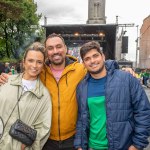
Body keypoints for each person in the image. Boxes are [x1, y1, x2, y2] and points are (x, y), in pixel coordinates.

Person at [0, 34, 136, 150]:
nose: (55, 51)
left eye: (59, 46)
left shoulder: (80, 69)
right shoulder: (41, 71)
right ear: (47, 52)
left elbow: (96, 65)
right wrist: (8, 78)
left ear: (65, 48)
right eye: (50, 48)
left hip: (73, 138)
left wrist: (118, 69)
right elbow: (27, 72)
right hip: (46, 141)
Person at [74, 41, 150, 150]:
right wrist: (79, 145)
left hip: (123, 146)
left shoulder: (127, 79)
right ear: (83, 64)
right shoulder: (82, 87)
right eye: (87, 59)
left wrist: (137, 145)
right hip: (92, 146)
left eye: (95, 56)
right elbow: (81, 119)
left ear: (103, 56)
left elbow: (143, 112)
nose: (92, 61)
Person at [0, 42, 52, 150]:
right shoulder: (6, 81)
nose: (34, 65)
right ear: (24, 62)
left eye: (39, 62)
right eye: (30, 60)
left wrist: (29, 146)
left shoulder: (44, 95)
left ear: (43, 66)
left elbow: (44, 128)